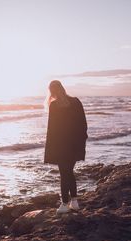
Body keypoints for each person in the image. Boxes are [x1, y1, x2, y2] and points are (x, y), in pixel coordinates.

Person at [44, 80, 88, 214]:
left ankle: (64, 204)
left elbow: (52, 129)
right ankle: (74, 202)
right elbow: (83, 124)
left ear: (51, 91)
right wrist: (82, 141)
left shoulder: (54, 105)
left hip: (61, 145)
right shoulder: (76, 101)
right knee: (69, 172)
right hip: (75, 144)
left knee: (65, 173)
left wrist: (50, 149)